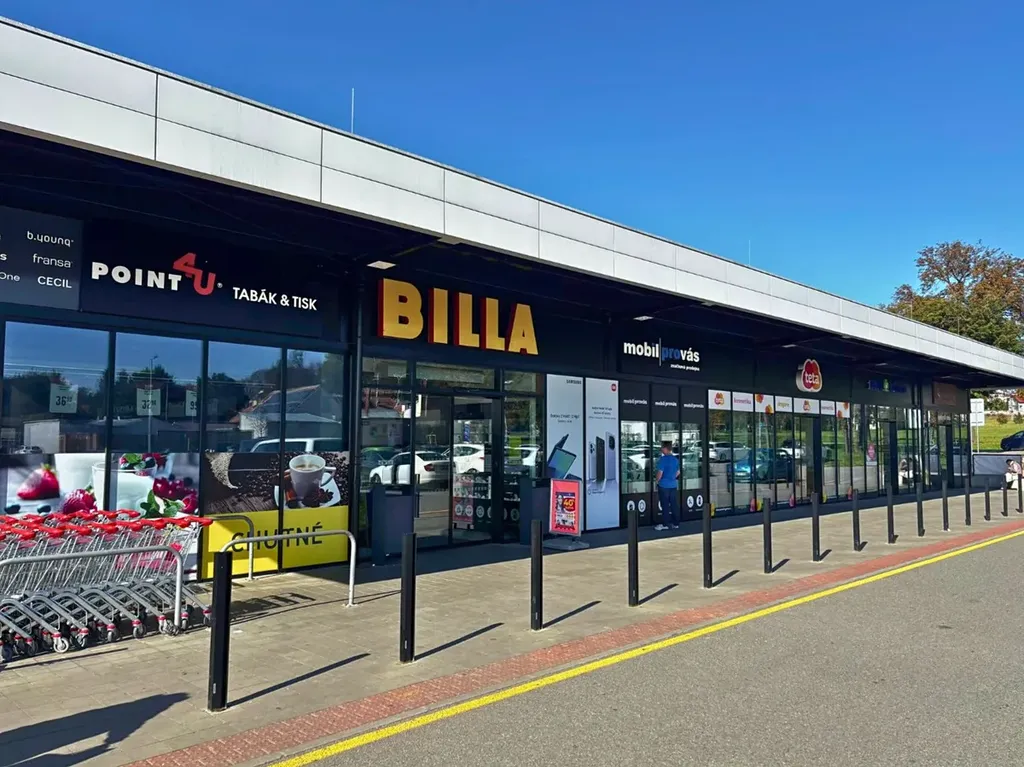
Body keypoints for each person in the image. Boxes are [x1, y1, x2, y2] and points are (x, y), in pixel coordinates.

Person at [654, 441, 681, 531]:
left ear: (666, 449)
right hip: (673, 485)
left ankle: (665, 524)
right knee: (673, 504)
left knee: (665, 505)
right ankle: (676, 523)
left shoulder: (663, 460)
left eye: (662, 448)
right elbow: (678, 472)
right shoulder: (675, 459)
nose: (661, 449)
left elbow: (660, 473)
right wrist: (672, 478)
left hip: (664, 486)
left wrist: (657, 481)